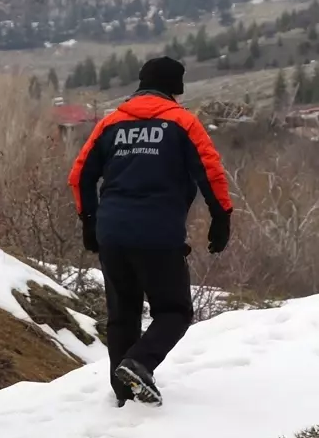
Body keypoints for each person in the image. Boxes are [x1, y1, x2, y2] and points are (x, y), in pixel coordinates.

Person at [68, 57, 232, 407]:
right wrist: (222, 217)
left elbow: (79, 176)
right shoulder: (183, 122)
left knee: (122, 314)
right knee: (174, 311)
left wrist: (89, 221)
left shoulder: (110, 123)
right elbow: (210, 172)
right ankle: (140, 363)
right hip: (158, 233)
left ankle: (123, 396)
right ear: (177, 86)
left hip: (112, 231)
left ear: (141, 84)